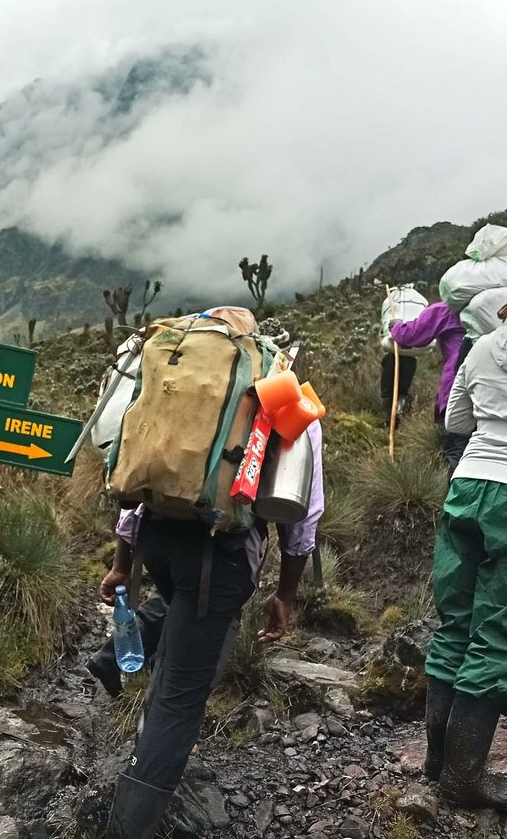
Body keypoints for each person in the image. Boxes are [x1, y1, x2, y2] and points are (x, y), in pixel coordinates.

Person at [100, 320, 322, 839]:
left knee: (181, 639)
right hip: (217, 559)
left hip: (158, 541)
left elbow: (137, 485)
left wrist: (122, 564)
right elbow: (302, 515)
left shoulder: (173, 382)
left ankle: (125, 695)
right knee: (182, 697)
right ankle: (127, 827)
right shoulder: (282, 395)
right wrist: (285, 594)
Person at [423, 301, 507, 808]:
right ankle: (463, 780)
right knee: (496, 631)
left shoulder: (479, 349)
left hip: (468, 483)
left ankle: (436, 762)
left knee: (454, 619)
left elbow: (455, 420)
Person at [387, 300, 465, 475]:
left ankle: (457, 497)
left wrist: (396, 326)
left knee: (457, 450)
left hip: (460, 386)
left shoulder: (447, 310)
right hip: (496, 388)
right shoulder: (496, 309)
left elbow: (412, 335)